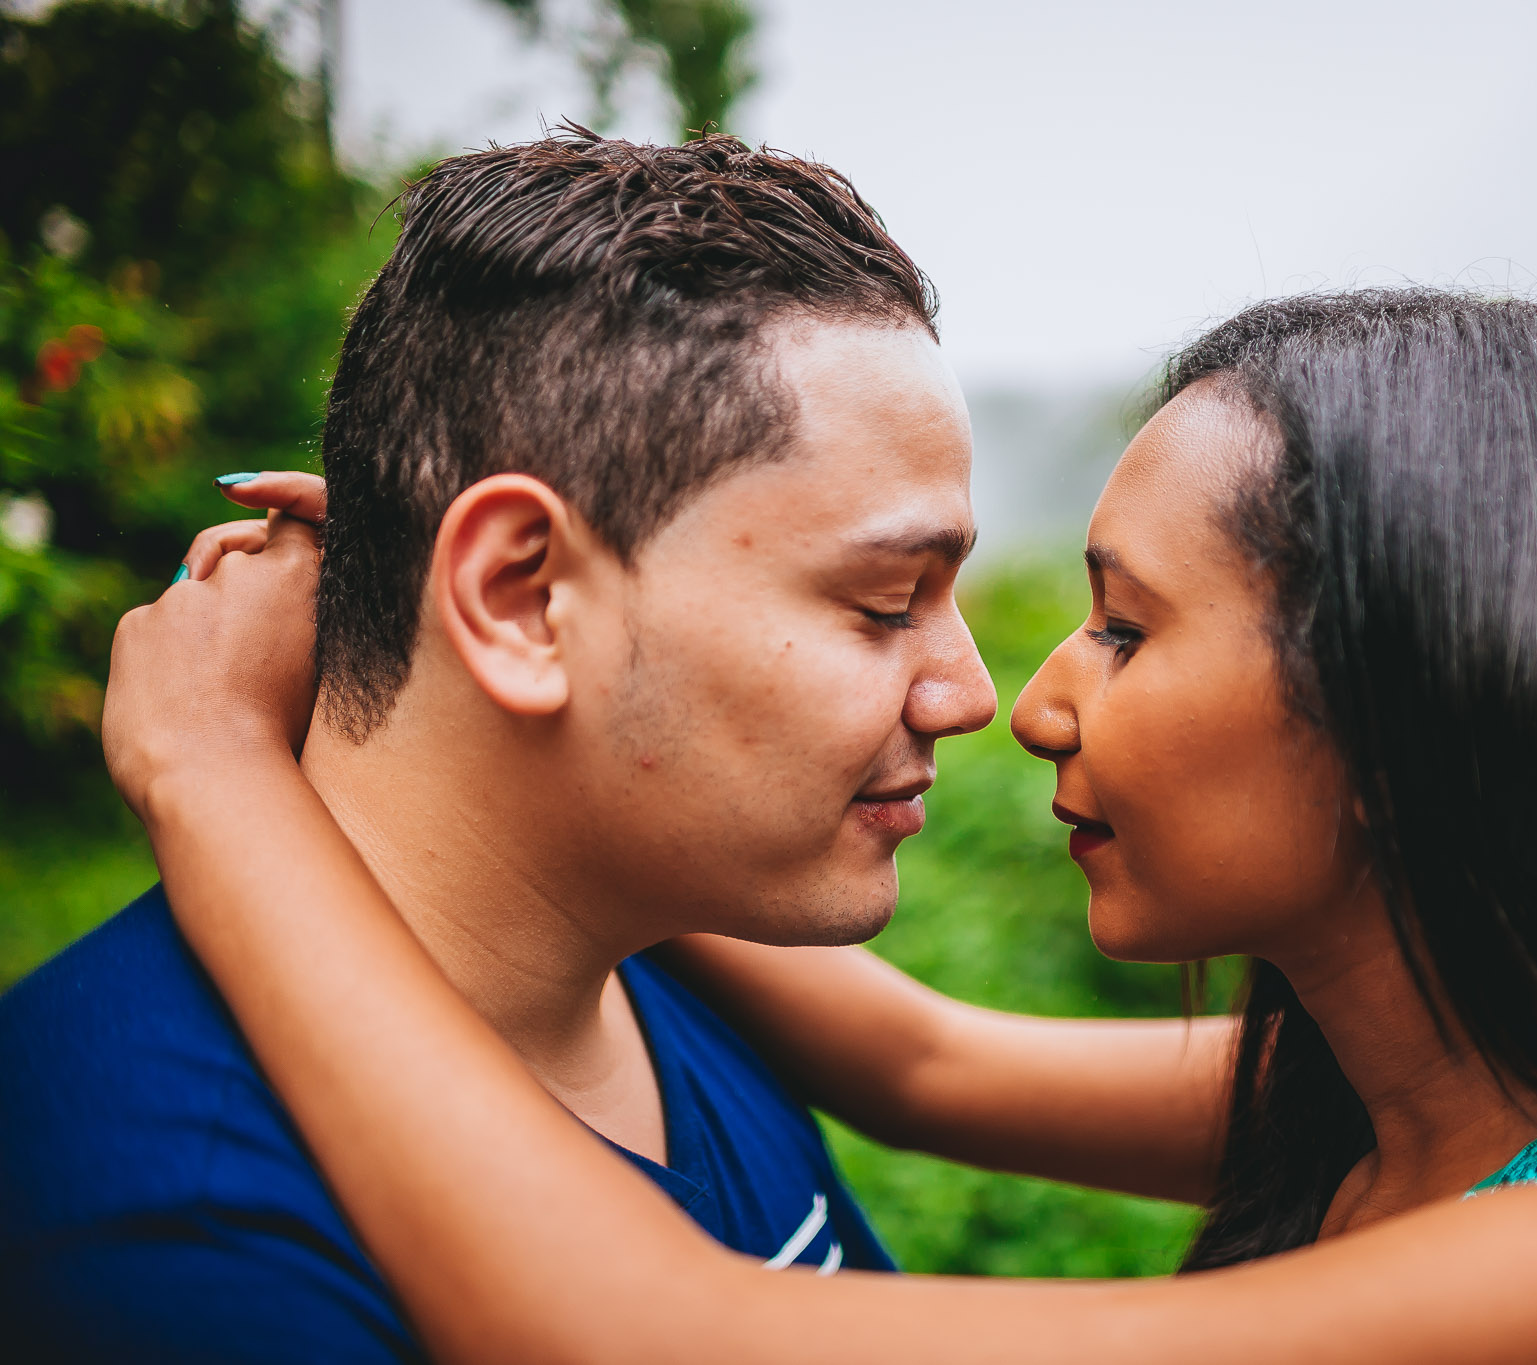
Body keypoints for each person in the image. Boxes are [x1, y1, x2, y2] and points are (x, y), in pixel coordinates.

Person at [99, 288, 1537, 1364]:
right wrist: (496, 659)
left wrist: (217, 771)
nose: (1031, 699)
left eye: (1124, 623)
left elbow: (652, 1335)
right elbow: (914, 1056)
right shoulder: (1389, 1096)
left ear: (1420, 696)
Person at [0, 130, 1234, 1360]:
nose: (972, 695)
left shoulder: (655, 940)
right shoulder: (177, 1247)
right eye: (880, 604)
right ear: (522, 598)